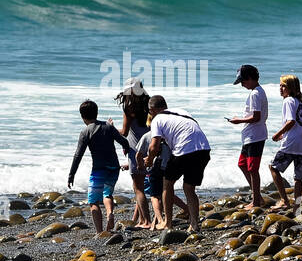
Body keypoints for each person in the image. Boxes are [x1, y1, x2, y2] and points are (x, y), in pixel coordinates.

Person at [146, 95, 211, 232]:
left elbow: (154, 146)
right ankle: (194, 224)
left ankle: (167, 223)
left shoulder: (157, 118)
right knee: (189, 187)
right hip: (203, 149)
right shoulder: (182, 111)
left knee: (167, 183)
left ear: (152, 110)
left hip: (183, 150)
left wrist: (149, 160)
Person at [67, 99, 132, 236]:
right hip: (114, 168)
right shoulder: (108, 126)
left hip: (99, 170)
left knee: (93, 202)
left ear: (82, 116)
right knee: (107, 194)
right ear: (97, 113)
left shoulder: (86, 132)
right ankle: (110, 214)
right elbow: (124, 141)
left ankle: (99, 231)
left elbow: (78, 155)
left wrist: (71, 174)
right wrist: (126, 150)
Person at [270, 75, 302, 210]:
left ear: (291, 89)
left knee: (273, 167)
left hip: (293, 143)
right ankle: (297, 206)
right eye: (280, 85)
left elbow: (291, 121)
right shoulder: (297, 101)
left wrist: (278, 133)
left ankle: (284, 200)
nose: (280, 88)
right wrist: (284, 134)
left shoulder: (288, 101)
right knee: (298, 177)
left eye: (283, 86)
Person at [227, 64, 267, 210]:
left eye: (243, 81)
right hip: (250, 135)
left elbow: (256, 117)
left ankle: (256, 201)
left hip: (255, 136)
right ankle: (258, 197)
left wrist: (239, 120)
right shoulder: (257, 91)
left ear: (250, 78)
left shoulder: (256, 93)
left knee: (252, 169)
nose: (242, 85)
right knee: (243, 164)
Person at [116, 79, 152, 228]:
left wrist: (110, 128)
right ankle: (140, 219)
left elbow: (124, 133)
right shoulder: (150, 105)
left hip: (135, 150)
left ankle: (146, 221)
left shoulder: (130, 109)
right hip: (151, 147)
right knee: (143, 186)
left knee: (138, 188)